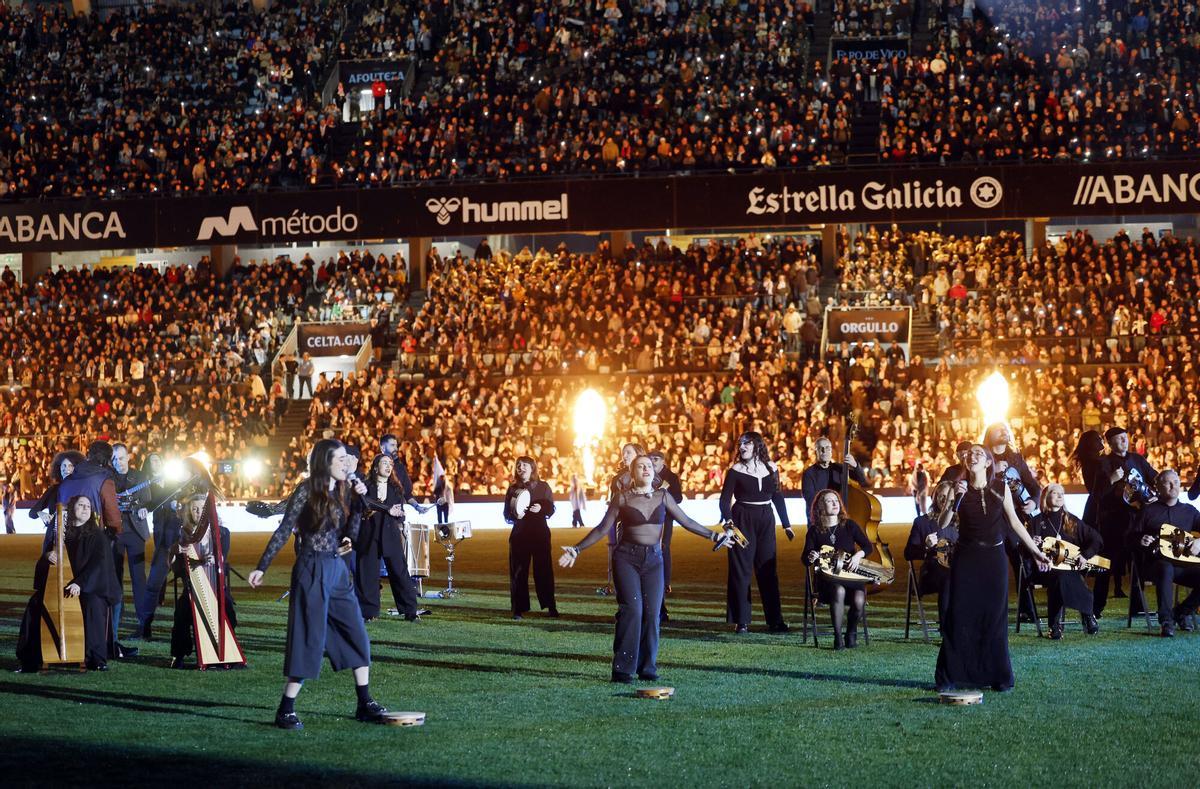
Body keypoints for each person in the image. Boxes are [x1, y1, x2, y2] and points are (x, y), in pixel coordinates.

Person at [248, 439, 393, 730]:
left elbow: (354, 521)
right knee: (309, 638)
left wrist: (354, 518)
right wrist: (262, 566)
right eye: (339, 458)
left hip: (336, 568)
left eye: (346, 458)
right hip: (311, 567)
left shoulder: (345, 488)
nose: (346, 463)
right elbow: (285, 528)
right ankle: (286, 709)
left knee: (356, 632)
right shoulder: (306, 490)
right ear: (324, 462)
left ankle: (364, 702)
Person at [559, 455, 732, 682]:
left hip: (654, 561)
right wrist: (577, 549)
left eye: (649, 466)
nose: (646, 469)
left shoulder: (663, 496)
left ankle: (647, 668)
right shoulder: (622, 498)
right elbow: (602, 529)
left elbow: (687, 521)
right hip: (626, 559)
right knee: (633, 610)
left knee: (652, 613)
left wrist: (714, 536)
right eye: (640, 466)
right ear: (632, 473)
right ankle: (622, 669)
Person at [935, 445, 1049, 694]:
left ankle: (999, 676)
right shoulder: (958, 488)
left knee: (994, 617)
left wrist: (1036, 551)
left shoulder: (1000, 487)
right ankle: (948, 676)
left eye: (979, 453)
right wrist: (953, 501)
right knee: (960, 615)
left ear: (988, 463)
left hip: (994, 559)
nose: (972, 456)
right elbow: (942, 523)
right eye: (970, 454)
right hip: (967, 558)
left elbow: (1015, 523)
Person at [57, 441, 135, 660]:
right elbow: (112, 516)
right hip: (95, 542)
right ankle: (109, 644)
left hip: (67, 544)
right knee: (109, 593)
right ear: (107, 459)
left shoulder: (68, 479)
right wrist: (116, 531)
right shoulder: (103, 478)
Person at [15, 450, 86, 672]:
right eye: (63, 467)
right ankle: (37, 650)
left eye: (70, 466)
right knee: (42, 596)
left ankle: (74, 648)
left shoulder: (81, 493)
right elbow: (32, 512)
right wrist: (42, 514)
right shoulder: (54, 490)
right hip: (51, 547)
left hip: (73, 549)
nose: (66, 470)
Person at [720, 431, 794, 634]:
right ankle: (741, 621)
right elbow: (725, 500)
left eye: (747, 443)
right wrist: (728, 520)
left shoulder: (771, 467)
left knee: (768, 570)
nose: (742, 447)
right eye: (740, 444)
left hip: (766, 519)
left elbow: (777, 496)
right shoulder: (735, 470)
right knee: (741, 570)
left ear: (757, 446)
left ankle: (775, 620)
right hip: (742, 519)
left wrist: (786, 524)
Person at [1092, 426, 1158, 617]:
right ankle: (1096, 607)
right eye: (1119, 438)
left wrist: (1157, 491)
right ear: (1110, 443)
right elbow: (1097, 495)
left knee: (1138, 564)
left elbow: (1154, 477)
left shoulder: (1137, 459)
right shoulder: (1103, 463)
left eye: (1125, 437)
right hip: (1112, 523)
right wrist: (1112, 479)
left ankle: (1137, 606)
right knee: (1106, 564)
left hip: (1136, 522)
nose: (1124, 441)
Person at [170, 493, 240, 668]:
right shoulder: (182, 534)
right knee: (182, 612)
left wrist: (214, 559)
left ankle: (227, 653)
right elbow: (175, 567)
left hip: (216, 586)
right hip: (191, 587)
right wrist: (174, 551)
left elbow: (222, 558)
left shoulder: (222, 533)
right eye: (194, 509)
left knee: (228, 609)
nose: (198, 512)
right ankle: (179, 654)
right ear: (189, 512)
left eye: (202, 509)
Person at [1027, 484, 1102, 639]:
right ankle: (1088, 614)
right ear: (1046, 497)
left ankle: (1054, 626)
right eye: (1055, 493)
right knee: (1061, 577)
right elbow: (1022, 550)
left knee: (1063, 577)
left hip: (1068, 570)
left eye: (1062, 493)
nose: (1060, 496)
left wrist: (1085, 555)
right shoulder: (1036, 522)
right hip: (1044, 570)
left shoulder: (1071, 521)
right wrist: (1032, 545)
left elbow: (1096, 539)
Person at [352, 454, 420, 622]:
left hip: (390, 534)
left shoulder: (396, 489)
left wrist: (399, 517)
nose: (389, 466)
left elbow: (399, 513)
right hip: (369, 534)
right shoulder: (365, 486)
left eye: (390, 464)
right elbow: (363, 504)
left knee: (399, 572)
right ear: (376, 467)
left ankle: (410, 611)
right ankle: (368, 613)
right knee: (367, 573)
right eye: (384, 463)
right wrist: (386, 509)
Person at [803, 489, 873, 648]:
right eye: (829, 501)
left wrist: (858, 555)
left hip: (850, 577)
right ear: (820, 506)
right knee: (838, 590)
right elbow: (805, 558)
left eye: (836, 500)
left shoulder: (849, 525)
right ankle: (837, 637)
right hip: (827, 580)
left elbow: (868, 547)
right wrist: (811, 556)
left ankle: (851, 633)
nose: (835, 504)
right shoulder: (814, 531)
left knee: (859, 598)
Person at [1134, 470, 1200, 637]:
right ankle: (1166, 621)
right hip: (1155, 565)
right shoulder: (1148, 511)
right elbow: (1129, 538)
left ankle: (1181, 612)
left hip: (1183, 566)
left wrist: (1199, 542)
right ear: (1158, 487)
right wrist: (1140, 539)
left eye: (1176, 482)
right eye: (1168, 483)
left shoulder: (1189, 511)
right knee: (1165, 567)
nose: (1173, 486)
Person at [62, 495, 122, 671]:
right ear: (72, 508)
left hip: (93, 586)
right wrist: (48, 556)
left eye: (88, 506)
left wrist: (80, 583)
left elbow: (99, 564)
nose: (85, 508)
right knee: (37, 602)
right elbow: (49, 556)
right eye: (81, 505)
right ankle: (32, 656)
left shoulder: (97, 535)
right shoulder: (63, 533)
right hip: (68, 582)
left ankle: (96, 659)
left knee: (92, 603)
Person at [503, 457, 557, 620]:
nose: (521, 468)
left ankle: (551, 606)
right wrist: (515, 515)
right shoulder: (513, 489)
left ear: (532, 468)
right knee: (518, 573)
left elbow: (551, 508)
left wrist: (542, 507)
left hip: (540, 534)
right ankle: (518, 609)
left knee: (544, 571)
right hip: (520, 536)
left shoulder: (543, 487)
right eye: (518, 465)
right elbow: (506, 514)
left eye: (524, 465)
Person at [110, 443, 152, 642]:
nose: (118, 462)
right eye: (114, 459)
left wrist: (144, 508)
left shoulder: (140, 476)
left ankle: (144, 626)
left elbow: (147, 500)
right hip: (115, 533)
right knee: (115, 578)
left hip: (135, 532)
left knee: (139, 579)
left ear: (128, 457)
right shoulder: (108, 477)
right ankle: (114, 624)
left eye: (120, 457)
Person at [903, 480, 958, 627]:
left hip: (958, 571)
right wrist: (926, 546)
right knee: (949, 578)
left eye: (949, 498)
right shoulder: (922, 522)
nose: (944, 500)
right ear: (934, 497)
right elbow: (908, 553)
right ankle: (947, 630)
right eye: (941, 496)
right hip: (931, 575)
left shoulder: (960, 522)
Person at [140, 452, 181, 640]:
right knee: (162, 556)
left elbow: (179, 496)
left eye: (157, 460)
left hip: (175, 523)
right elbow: (149, 504)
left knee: (168, 557)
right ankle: (159, 595)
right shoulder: (147, 483)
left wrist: (176, 503)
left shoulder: (171, 480)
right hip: (161, 525)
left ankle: (161, 595)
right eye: (152, 461)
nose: (155, 463)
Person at [649, 451, 682, 623]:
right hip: (647, 519)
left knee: (662, 550)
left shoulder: (671, 477)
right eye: (651, 458)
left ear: (663, 461)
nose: (652, 461)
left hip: (665, 519)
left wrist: (664, 494)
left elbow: (679, 498)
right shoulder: (645, 473)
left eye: (656, 459)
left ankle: (665, 585)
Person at [801, 436, 867, 516]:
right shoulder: (809, 473)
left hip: (839, 516)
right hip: (819, 517)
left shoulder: (839, 468)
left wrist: (855, 465)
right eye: (821, 448)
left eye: (827, 448)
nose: (824, 451)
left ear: (831, 451)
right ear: (816, 452)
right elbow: (810, 498)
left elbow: (862, 481)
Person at [1069, 430, 1106, 528]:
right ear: (1090, 443)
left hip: (1095, 506)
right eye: (1097, 439)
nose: (1101, 440)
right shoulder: (1092, 463)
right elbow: (1095, 489)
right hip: (1098, 508)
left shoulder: (1096, 461)